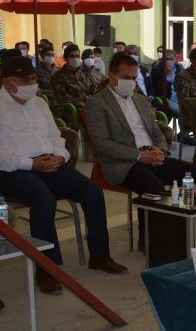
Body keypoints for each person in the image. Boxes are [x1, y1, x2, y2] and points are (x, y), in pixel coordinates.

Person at [0, 57, 127, 294]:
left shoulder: (39, 103)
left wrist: (59, 156)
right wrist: (31, 164)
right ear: (7, 82)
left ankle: (99, 255)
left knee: (93, 191)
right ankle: (46, 269)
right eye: (25, 80)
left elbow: (56, 136)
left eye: (33, 78)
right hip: (14, 171)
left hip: (50, 163)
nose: (31, 84)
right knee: (44, 200)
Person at [85, 53, 196, 252]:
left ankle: (189, 228)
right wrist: (140, 156)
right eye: (126, 77)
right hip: (123, 163)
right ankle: (149, 239)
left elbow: (157, 132)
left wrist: (161, 151)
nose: (131, 82)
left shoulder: (140, 100)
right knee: (153, 187)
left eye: (134, 78)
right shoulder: (97, 103)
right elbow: (103, 144)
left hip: (153, 157)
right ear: (112, 76)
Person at [151, 49, 183, 118]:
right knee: (182, 112)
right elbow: (159, 91)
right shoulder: (156, 70)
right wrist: (167, 76)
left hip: (179, 97)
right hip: (168, 99)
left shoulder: (178, 67)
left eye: (171, 59)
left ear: (175, 58)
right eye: (167, 59)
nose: (169, 61)